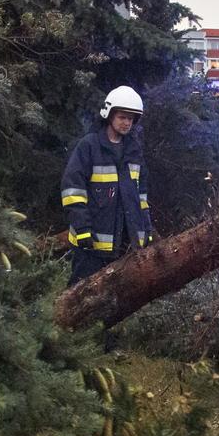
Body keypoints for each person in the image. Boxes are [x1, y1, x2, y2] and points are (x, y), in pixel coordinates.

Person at [61, 86, 153, 286]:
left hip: (124, 246)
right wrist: (83, 228)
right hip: (90, 245)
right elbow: (72, 190)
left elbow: (141, 197)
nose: (127, 122)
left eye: (131, 119)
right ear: (109, 114)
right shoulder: (89, 146)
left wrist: (145, 228)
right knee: (80, 298)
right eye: (122, 117)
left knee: (115, 304)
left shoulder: (134, 151)